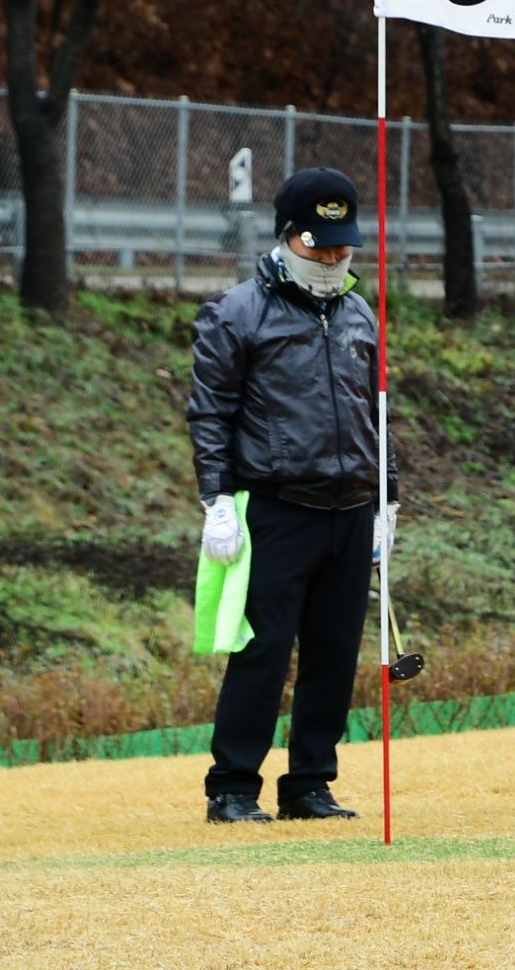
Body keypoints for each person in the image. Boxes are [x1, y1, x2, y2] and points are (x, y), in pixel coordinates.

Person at [187, 166, 398, 824]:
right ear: (289, 238)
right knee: (262, 650)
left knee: (333, 657)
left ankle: (310, 782)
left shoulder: (361, 313)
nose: (334, 256)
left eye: (343, 244)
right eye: (320, 244)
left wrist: (387, 497)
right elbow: (210, 413)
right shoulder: (236, 314)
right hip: (275, 508)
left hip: (350, 508)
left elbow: (379, 412)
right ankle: (232, 787)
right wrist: (216, 498)